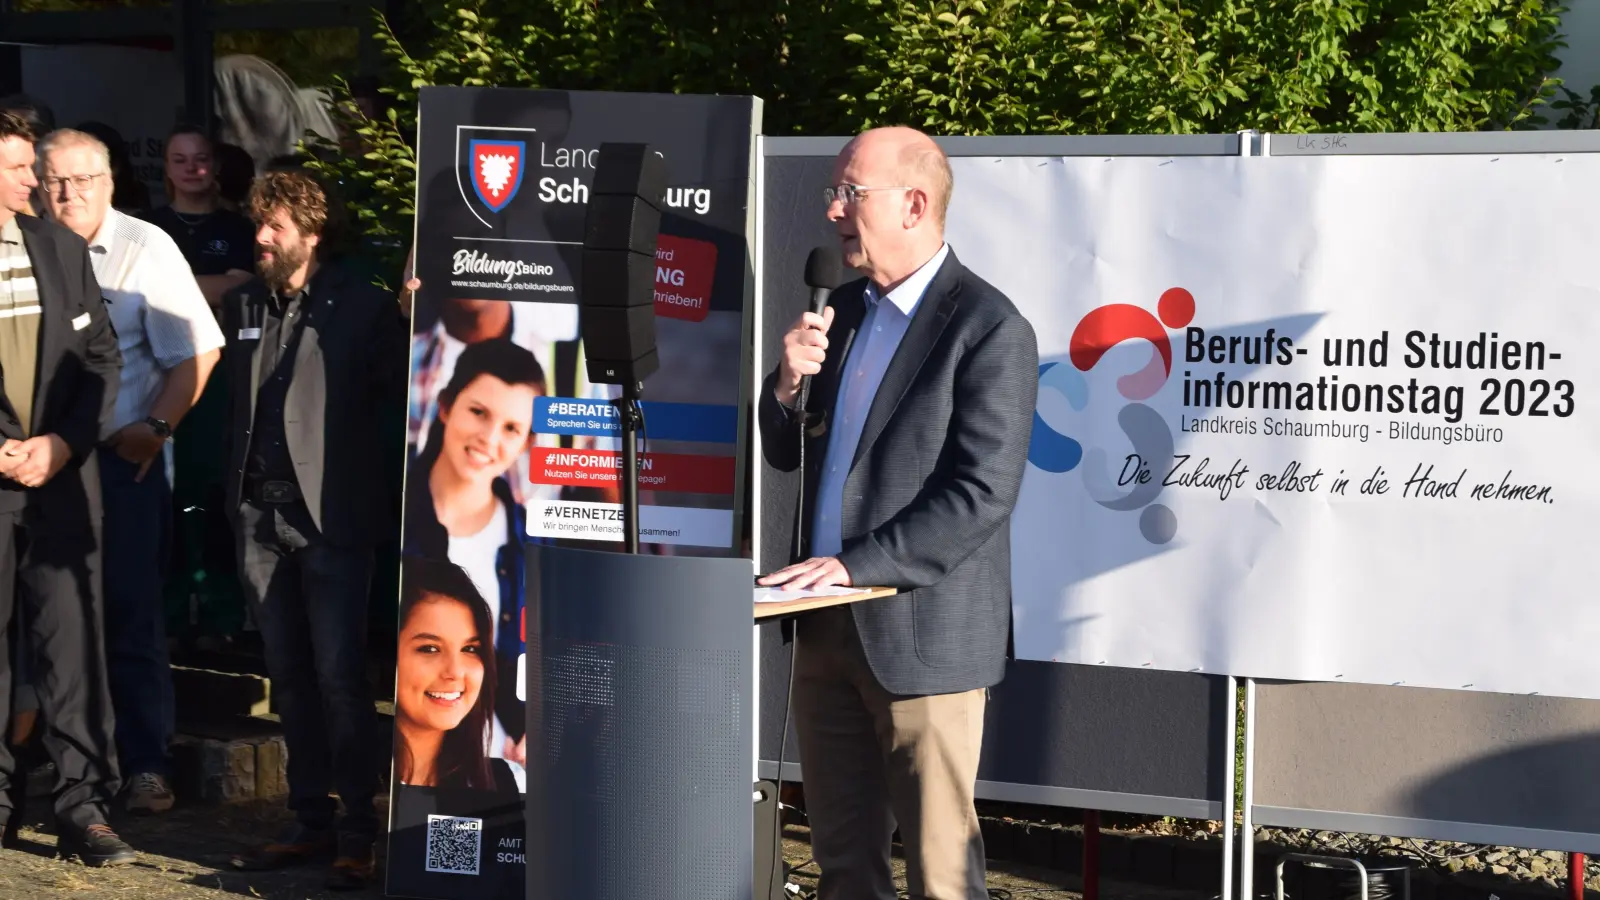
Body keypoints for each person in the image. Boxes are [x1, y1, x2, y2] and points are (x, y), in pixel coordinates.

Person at [756, 126, 1039, 900]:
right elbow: (790, 451)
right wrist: (784, 388)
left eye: (851, 193)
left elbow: (981, 492)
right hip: (823, 629)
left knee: (943, 878)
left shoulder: (989, 327)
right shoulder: (840, 310)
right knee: (844, 869)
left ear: (915, 204)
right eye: (833, 193)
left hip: (922, 637)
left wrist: (857, 564)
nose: (833, 211)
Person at [221, 169, 408, 888]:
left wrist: (414, 317)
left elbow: (400, 387)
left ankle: (359, 827)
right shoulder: (245, 302)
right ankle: (309, 820)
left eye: (274, 226)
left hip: (330, 519)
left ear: (311, 232)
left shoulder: (361, 306)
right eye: (258, 224)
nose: (260, 238)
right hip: (257, 516)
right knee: (288, 678)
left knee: (339, 679)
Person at [36, 127, 225, 814]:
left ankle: (145, 763)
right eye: (57, 179)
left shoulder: (147, 248)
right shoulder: (21, 247)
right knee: (45, 620)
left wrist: (157, 430)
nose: (70, 193)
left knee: (129, 615)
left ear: (111, 183)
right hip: (37, 465)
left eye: (85, 180)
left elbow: (199, 351)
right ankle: (60, 764)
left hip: (123, 464)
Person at [0, 111, 134, 865]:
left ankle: (82, 806)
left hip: (59, 482)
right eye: (21, 169)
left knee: (71, 646)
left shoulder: (58, 245)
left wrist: (61, 444)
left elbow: (101, 360)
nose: (38, 183)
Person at [403, 340, 540, 769]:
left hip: (496, 771)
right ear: (445, 406)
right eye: (478, 412)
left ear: (526, 443)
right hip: (412, 767)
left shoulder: (531, 545)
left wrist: (536, 728)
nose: (488, 438)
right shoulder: (396, 514)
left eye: (511, 429)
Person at [393, 555, 522, 793]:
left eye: (470, 649)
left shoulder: (511, 783)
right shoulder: (356, 788)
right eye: (430, 648)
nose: (455, 672)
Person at [141, 125, 256, 311]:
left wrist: (154, 286)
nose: (191, 168)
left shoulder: (240, 227)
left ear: (216, 166)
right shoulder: (144, 225)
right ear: (167, 169)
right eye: (180, 161)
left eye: (201, 159)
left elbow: (236, 288)